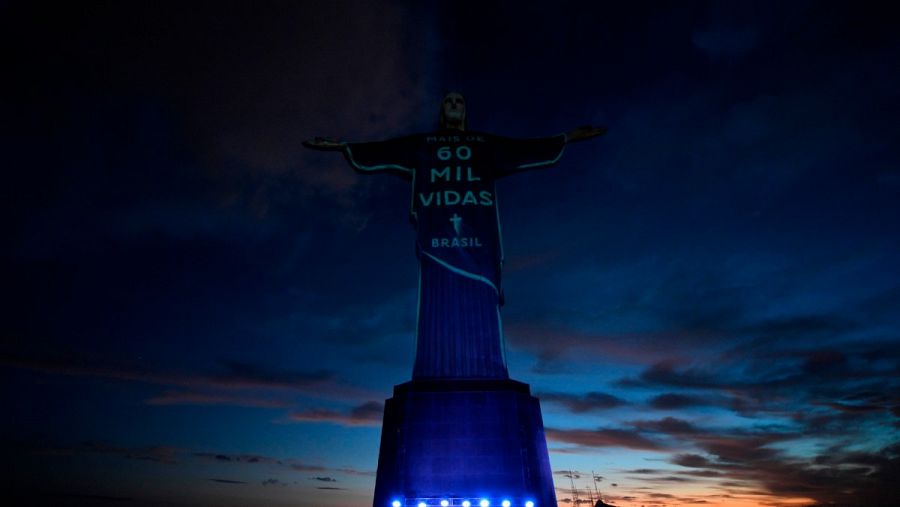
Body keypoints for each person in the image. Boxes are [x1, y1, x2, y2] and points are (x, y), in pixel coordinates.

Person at [304, 92, 605, 379]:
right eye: (448, 100)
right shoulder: (424, 143)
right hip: (437, 238)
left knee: (482, 304)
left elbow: (522, 148)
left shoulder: (483, 144)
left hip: (480, 238)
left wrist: (567, 137)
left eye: (459, 101)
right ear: (441, 109)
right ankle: (436, 368)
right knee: (436, 308)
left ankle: (487, 370)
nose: (453, 104)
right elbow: (384, 149)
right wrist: (344, 146)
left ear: (465, 109)